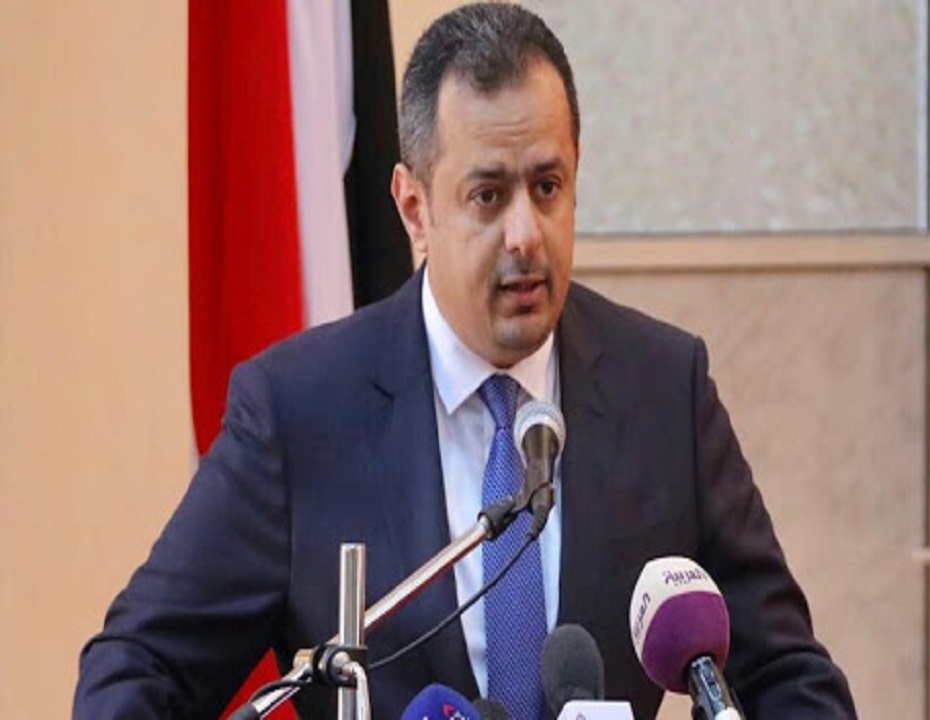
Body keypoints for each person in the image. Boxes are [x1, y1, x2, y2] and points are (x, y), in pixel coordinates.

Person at [74, 4, 857, 719]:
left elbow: (790, 677)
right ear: (415, 208)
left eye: (547, 187)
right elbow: (137, 668)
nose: (525, 234)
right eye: (488, 196)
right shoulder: (298, 412)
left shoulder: (663, 389)